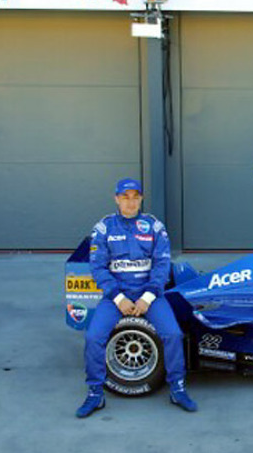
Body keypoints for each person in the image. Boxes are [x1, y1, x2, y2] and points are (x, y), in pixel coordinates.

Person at [76, 178, 197, 418]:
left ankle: (177, 388)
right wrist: (118, 297)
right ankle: (94, 393)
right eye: (125, 197)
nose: (130, 202)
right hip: (115, 295)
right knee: (93, 337)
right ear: (116, 199)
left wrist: (148, 297)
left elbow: (162, 265)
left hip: (149, 293)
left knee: (172, 334)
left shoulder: (153, 226)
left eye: (135, 197)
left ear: (141, 198)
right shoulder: (104, 228)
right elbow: (98, 268)